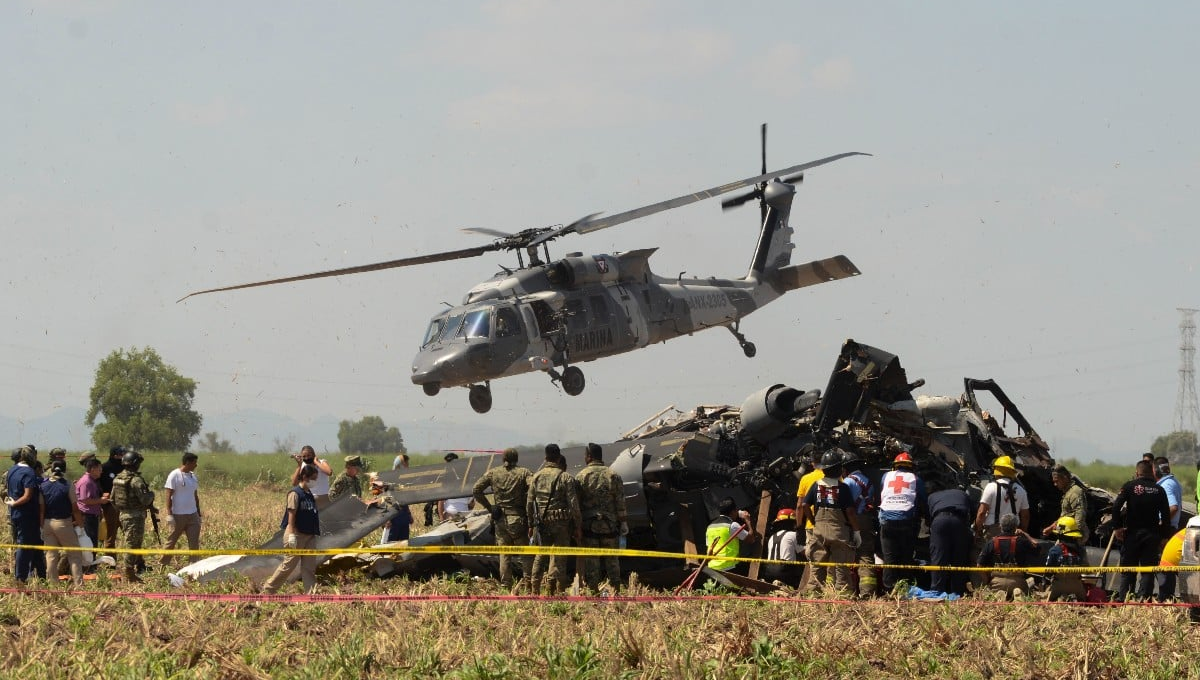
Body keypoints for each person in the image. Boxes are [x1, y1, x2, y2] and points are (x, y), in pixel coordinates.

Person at [472, 447, 533, 589]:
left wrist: (490, 507)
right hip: (518, 518)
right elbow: (533, 487)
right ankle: (528, 584)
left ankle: (506, 586)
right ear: (516, 459)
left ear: (503, 459)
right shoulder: (524, 473)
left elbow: (476, 489)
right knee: (525, 553)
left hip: (500, 520)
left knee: (504, 554)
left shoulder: (493, 473)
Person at [800, 450, 860, 594]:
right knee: (841, 567)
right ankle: (843, 596)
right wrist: (856, 531)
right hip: (839, 531)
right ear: (839, 469)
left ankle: (814, 595)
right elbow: (850, 512)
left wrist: (813, 521)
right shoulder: (843, 487)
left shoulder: (816, 485)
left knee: (817, 566)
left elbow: (804, 505)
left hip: (819, 530)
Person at [1111, 459, 1171, 601]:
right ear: (1152, 473)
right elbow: (1166, 515)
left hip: (1132, 534)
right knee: (1148, 569)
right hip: (1152, 535)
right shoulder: (1159, 489)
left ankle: (1124, 597)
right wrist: (1164, 536)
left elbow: (1116, 507)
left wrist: (1117, 527)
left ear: (1137, 473)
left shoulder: (1129, 486)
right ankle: (1144, 598)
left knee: (1127, 569)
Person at [526, 443, 581, 594]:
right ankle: (557, 589)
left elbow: (529, 503)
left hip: (541, 523)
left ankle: (535, 589)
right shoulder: (566, 477)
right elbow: (574, 505)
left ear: (545, 457)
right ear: (558, 457)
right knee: (560, 557)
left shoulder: (536, 477)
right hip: (561, 523)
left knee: (540, 555)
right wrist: (578, 526)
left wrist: (531, 524)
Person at [574, 443, 628, 592]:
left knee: (592, 562)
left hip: (589, 527)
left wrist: (577, 526)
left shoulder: (581, 476)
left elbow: (576, 505)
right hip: (610, 526)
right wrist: (623, 523)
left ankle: (593, 593)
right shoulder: (613, 475)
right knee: (612, 561)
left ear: (589, 456)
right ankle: (616, 591)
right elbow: (620, 501)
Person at [262, 463, 321, 594]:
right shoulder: (295, 494)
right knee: (289, 565)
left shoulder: (309, 494)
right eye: (313, 478)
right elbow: (292, 515)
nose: (315, 482)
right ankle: (268, 590)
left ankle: (311, 593)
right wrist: (292, 534)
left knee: (309, 567)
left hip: (310, 535)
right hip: (297, 534)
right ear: (305, 477)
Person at [972, 455, 1029, 588]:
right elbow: (1025, 515)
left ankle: (988, 585)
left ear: (997, 470)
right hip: (1014, 532)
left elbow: (981, 512)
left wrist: (977, 530)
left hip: (993, 530)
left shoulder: (990, 487)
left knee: (983, 559)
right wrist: (1023, 532)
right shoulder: (1021, 490)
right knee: (1009, 561)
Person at [878, 450, 925, 593]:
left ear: (895, 466)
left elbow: (881, 494)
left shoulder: (886, 476)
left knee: (889, 557)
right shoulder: (915, 479)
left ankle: (889, 590)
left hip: (886, 522)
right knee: (906, 556)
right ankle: (906, 589)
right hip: (906, 522)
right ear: (911, 466)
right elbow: (922, 500)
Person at [111, 449, 155, 582]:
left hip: (123, 515)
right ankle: (128, 572)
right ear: (135, 464)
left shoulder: (118, 478)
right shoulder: (136, 480)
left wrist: (123, 510)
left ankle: (134, 567)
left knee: (132, 542)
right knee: (132, 544)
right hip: (135, 516)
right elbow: (145, 500)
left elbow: (113, 499)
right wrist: (152, 494)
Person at [39, 460, 84, 585]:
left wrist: (42, 526)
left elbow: (41, 510)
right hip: (63, 523)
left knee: (51, 555)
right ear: (64, 470)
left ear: (52, 470)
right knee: (74, 554)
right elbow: (75, 509)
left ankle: (53, 584)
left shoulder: (43, 486)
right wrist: (81, 526)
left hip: (48, 523)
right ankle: (79, 585)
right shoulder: (68, 485)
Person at [5, 446, 46, 582]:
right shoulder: (29, 472)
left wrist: (12, 505)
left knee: (33, 545)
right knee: (25, 545)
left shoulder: (12, 470)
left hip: (16, 514)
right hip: (27, 515)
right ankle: (21, 578)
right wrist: (15, 503)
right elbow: (28, 495)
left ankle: (40, 575)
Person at [926, 479, 973, 596]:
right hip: (959, 520)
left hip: (939, 520)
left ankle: (936, 592)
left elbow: (928, 518)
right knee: (959, 558)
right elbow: (973, 511)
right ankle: (958, 592)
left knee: (938, 557)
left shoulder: (932, 496)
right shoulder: (962, 494)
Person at [841, 451, 879, 597]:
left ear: (845, 468)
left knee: (845, 554)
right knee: (865, 555)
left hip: (852, 520)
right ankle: (868, 592)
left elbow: (844, 505)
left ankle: (846, 592)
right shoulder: (867, 481)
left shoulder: (848, 482)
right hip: (866, 519)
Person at [977, 513, 1039, 599]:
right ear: (1015, 527)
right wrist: (1025, 534)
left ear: (1000, 526)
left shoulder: (992, 542)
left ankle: (1000, 596)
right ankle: (1018, 595)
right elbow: (1037, 547)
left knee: (988, 595)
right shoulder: (1021, 541)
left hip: (997, 583)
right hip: (1018, 582)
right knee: (1030, 585)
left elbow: (979, 565)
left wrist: (987, 581)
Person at [162, 452, 202, 567]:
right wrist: (169, 514)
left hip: (193, 514)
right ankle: (163, 564)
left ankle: (194, 565)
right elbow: (168, 494)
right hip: (178, 515)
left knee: (194, 542)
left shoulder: (193, 476)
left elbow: (195, 495)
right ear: (188, 463)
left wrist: (198, 513)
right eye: (194, 462)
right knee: (172, 541)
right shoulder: (175, 475)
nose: (196, 465)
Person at [1153, 457, 1183, 600]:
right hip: (1172, 528)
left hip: (1167, 529)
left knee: (1165, 564)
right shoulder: (1173, 482)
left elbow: (1173, 507)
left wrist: (1160, 524)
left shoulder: (1166, 486)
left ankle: (1166, 596)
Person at [704, 497, 758, 573]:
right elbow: (751, 539)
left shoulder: (710, 527)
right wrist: (747, 520)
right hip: (729, 567)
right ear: (733, 511)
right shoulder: (732, 526)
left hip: (712, 568)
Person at [1045, 516, 1089, 601]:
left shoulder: (1055, 550)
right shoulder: (1082, 550)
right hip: (1078, 588)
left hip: (1058, 587)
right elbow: (1086, 570)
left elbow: (1048, 572)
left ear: (1060, 534)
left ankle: (1061, 599)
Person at [1042, 464, 1088, 544]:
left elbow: (1079, 516)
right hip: (1065, 534)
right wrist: (1051, 528)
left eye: (1057, 481)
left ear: (1065, 478)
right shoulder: (1068, 493)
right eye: (1054, 482)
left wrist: (1074, 538)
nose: (1055, 484)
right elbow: (1065, 515)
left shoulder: (1075, 492)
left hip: (1072, 536)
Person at [762, 508, 802, 587]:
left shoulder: (772, 537)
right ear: (791, 523)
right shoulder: (793, 535)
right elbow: (806, 553)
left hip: (768, 571)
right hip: (784, 572)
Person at [75, 457, 107, 550]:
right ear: (93, 469)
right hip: (88, 517)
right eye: (99, 469)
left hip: (91, 516)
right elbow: (85, 500)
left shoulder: (91, 481)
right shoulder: (87, 482)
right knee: (90, 543)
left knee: (92, 541)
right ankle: (90, 563)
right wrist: (100, 500)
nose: (101, 472)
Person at [99, 446, 125, 551]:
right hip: (110, 506)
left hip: (125, 506)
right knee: (110, 535)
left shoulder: (126, 468)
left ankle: (137, 561)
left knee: (131, 536)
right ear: (114, 455)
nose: (122, 456)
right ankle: (110, 563)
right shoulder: (104, 468)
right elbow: (97, 485)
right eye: (120, 454)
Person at [291, 445, 332, 510]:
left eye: (309, 456)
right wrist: (299, 465)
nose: (306, 458)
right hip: (310, 498)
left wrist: (316, 462)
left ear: (313, 455)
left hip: (324, 497)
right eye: (304, 456)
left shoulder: (321, 462)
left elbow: (329, 472)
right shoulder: (303, 465)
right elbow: (294, 483)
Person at [439, 452, 473, 521]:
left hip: (464, 516)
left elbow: (471, 502)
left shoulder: (465, 478)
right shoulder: (445, 480)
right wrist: (441, 517)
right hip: (449, 516)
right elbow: (440, 501)